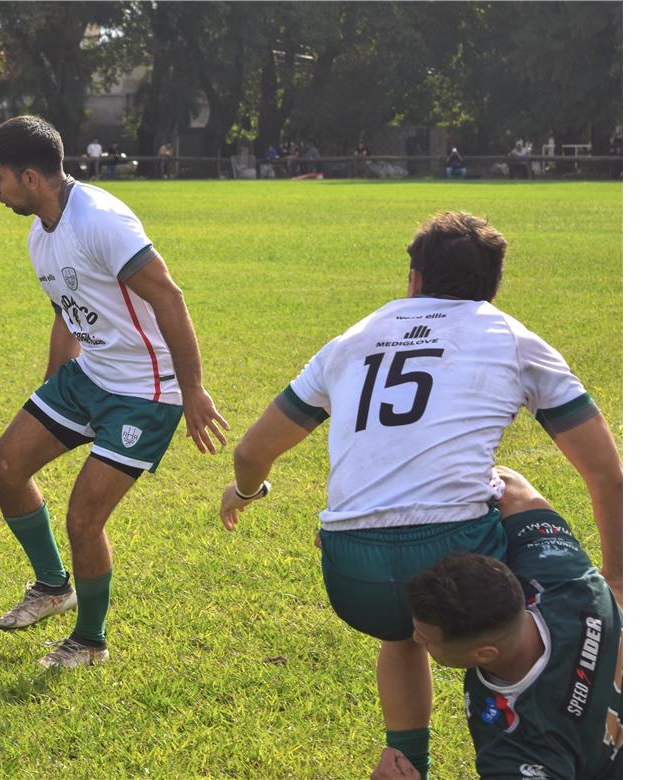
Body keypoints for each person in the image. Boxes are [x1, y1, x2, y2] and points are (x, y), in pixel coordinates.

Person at [218, 211, 622, 778]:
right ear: (493, 286)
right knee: (509, 484)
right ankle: (551, 693)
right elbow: (605, 473)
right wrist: (619, 574)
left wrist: (247, 490)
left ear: (414, 278)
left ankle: (408, 761)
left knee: (402, 629)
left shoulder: (350, 339)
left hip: (350, 576)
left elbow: (250, 452)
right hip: (457, 552)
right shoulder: (511, 336)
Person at [0, 115, 228, 669]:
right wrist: (51, 388)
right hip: (89, 375)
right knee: (6, 467)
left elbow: (169, 297)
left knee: (84, 519)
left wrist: (192, 390)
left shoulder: (99, 220)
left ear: (30, 178)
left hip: (145, 391)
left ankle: (90, 641)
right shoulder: (39, 236)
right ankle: (53, 586)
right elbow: (66, 315)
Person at [372, 466, 621, 779]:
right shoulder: (565, 577)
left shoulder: (521, 739)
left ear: (485, 654)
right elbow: (511, 487)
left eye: (426, 639)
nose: (415, 638)